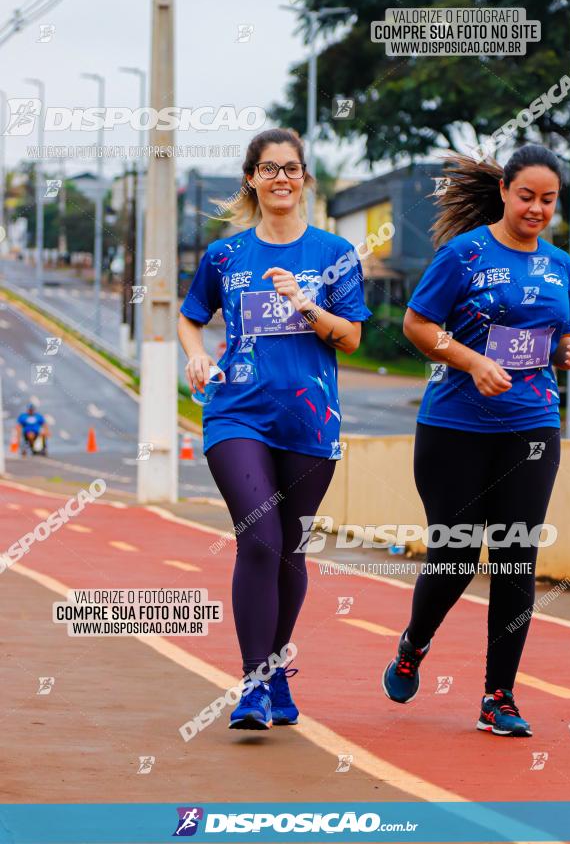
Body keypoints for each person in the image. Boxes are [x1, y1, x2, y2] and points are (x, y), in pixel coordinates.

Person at [382, 145, 570, 736]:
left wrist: (569, 352)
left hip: (533, 426)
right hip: (454, 429)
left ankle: (499, 697)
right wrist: (472, 362)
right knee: (456, 556)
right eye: (527, 196)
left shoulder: (561, 267)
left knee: (518, 556)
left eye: (549, 200)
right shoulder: (464, 254)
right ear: (504, 191)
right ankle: (414, 645)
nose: (537, 209)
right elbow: (417, 325)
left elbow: (558, 340)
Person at [178, 128, 372, 730]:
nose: (280, 178)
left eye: (291, 168)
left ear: (305, 178)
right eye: (268, 169)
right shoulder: (225, 256)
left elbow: (353, 338)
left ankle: (276, 674)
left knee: (290, 550)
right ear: (252, 180)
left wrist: (306, 304)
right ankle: (254, 686)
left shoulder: (333, 253)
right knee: (258, 536)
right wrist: (196, 355)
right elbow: (191, 318)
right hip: (236, 412)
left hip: (311, 422)